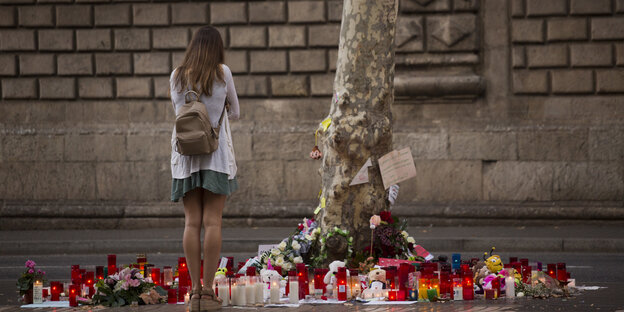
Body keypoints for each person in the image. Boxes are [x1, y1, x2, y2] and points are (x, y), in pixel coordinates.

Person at [169, 26, 240, 312]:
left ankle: (194, 291)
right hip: (215, 157)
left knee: (191, 223)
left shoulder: (177, 75)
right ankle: (209, 292)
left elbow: (177, 111)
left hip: (185, 158)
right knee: (213, 222)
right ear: (217, 47)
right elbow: (235, 111)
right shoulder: (222, 73)